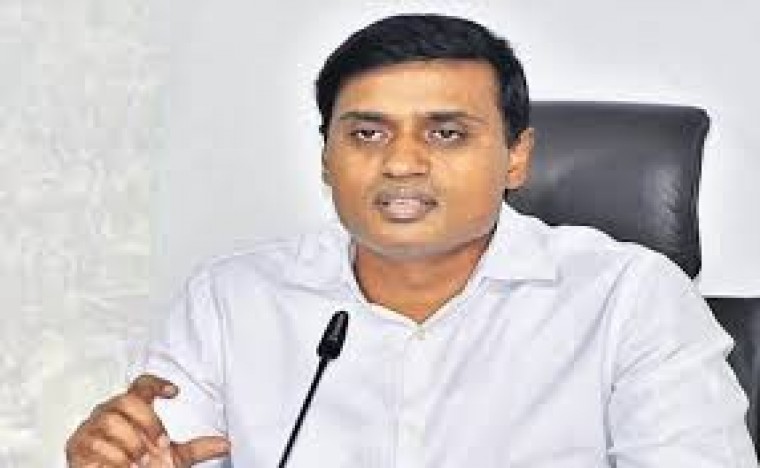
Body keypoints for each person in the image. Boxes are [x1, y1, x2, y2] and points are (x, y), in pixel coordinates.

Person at [64, 13, 757, 467]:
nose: (401, 163)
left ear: (517, 156)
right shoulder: (229, 300)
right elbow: (167, 451)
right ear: (327, 157)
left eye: (446, 133)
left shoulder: (631, 299)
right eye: (367, 133)